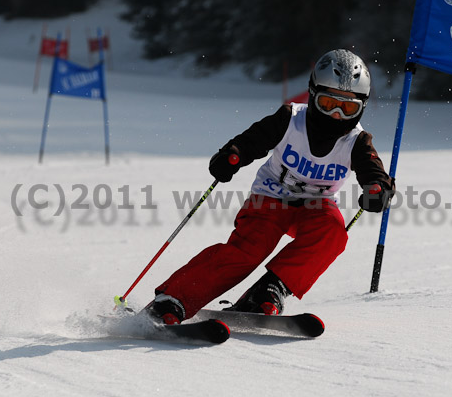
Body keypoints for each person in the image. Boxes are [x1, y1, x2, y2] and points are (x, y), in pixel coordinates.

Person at [143, 49, 395, 325]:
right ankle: (174, 299)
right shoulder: (290, 119)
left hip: (316, 207)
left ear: (362, 107)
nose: (336, 115)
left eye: (347, 108)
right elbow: (254, 139)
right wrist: (233, 154)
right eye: (327, 103)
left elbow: (374, 170)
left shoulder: (357, 141)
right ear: (312, 95)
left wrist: (377, 188)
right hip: (269, 200)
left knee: (332, 232)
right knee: (248, 250)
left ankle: (269, 289)